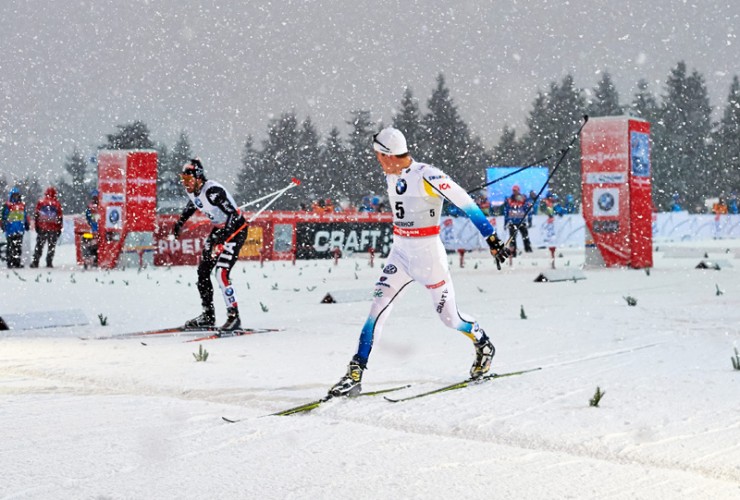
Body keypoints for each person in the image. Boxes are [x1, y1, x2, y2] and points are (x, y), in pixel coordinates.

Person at [328, 127, 511, 397]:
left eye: (378, 155)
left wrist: (492, 240)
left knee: (450, 318)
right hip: (400, 254)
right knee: (377, 309)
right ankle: (355, 372)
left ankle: (482, 342)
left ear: (388, 155)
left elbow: (466, 203)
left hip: (429, 259)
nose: (377, 161)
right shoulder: (392, 175)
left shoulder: (428, 175)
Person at [172, 158, 249, 331]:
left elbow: (233, 216)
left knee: (221, 272)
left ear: (199, 177)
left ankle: (234, 317)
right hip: (219, 230)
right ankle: (208, 315)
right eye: (183, 179)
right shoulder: (193, 190)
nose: (186, 184)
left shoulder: (212, 191)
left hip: (235, 230)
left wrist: (223, 239)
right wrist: (180, 222)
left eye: (188, 180)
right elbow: (193, 204)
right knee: (203, 271)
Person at [31, 186, 63, 268]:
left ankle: (35, 261)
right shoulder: (57, 204)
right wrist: (59, 228)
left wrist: (37, 226)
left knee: (39, 245)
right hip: (53, 229)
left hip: (42, 228)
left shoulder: (41, 202)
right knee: (51, 247)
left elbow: (36, 215)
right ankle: (49, 262)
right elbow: (60, 217)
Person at [1, 187, 30, 268]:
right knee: (10, 248)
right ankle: (10, 262)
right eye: (14, 195)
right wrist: (3, 225)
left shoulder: (22, 205)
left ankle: (17, 263)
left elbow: (24, 216)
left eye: (17, 195)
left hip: (19, 230)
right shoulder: (7, 206)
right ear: (11, 196)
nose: (16, 197)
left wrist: (26, 224)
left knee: (18, 248)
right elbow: (3, 217)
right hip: (10, 230)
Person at [503, 184, 532, 255]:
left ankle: (528, 250)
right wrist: (505, 222)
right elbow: (506, 211)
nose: (514, 192)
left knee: (525, 236)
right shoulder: (509, 199)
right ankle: (513, 252)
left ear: (518, 191)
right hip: (512, 221)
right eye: (513, 190)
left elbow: (528, 209)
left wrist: (529, 220)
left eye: (515, 190)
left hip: (521, 221)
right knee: (512, 238)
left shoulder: (523, 198)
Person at [83, 190, 100, 268]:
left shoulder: (90, 207)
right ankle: (94, 259)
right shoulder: (102, 206)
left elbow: (87, 218)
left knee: (87, 244)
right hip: (98, 231)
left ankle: (88, 259)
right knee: (93, 245)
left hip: (92, 231)